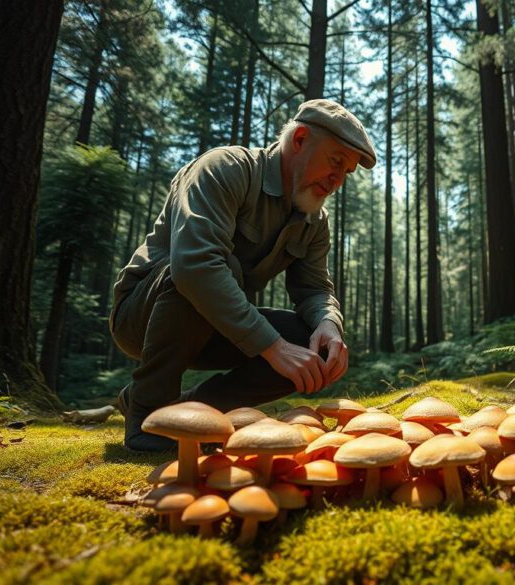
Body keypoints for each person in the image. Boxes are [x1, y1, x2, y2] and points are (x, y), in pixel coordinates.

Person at [109, 99, 376, 451]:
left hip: (220, 328)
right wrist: (272, 346)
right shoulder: (225, 169)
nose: (338, 180)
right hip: (142, 318)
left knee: (307, 337)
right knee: (216, 269)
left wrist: (329, 324)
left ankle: (191, 415)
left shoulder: (315, 221)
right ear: (299, 139)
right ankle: (147, 417)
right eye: (335, 162)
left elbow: (314, 288)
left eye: (347, 172)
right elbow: (194, 266)